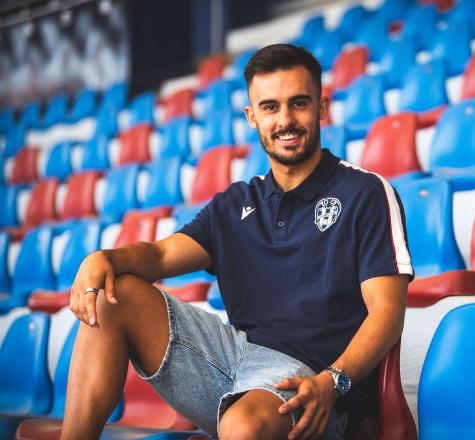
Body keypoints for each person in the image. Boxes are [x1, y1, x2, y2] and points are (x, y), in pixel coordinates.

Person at [62, 44, 413, 440]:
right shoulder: (234, 204)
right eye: (270, 107)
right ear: (252, 117)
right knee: (113, 293)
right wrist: (101, 258)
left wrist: (334, 381)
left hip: (315, 384)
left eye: (299, 103)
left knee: (243, 425)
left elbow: (387, 313)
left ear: (322, 108)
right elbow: (160, 255)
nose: (285, 120)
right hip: (234, 360)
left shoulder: (365, 192)